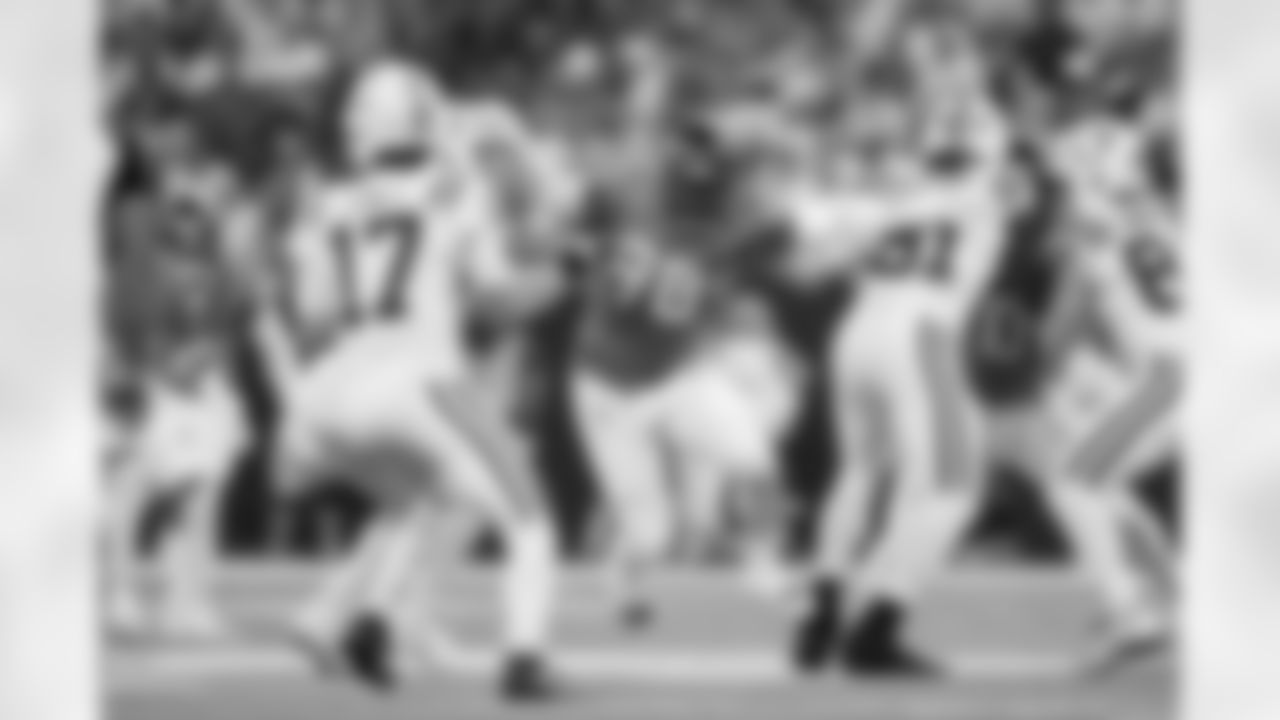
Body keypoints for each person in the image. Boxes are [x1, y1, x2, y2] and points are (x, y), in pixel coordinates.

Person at [263, 58, 566, 700]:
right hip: (414, 381)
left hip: (325, 397)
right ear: (423, 119)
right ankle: (525, 657)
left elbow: (313, 316)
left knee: (419, 498)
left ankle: (369, 623)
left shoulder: (329, 203)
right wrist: (563, 276)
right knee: (528, 518)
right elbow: (496, 303)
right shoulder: (457, 192)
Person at [779, 61, 1012, 675]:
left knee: (859, 470)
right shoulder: (986, 187)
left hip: (858, 329)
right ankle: (876, 627)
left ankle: (823, 604)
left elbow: (807, 267)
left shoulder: (893, 188)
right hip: (923, 333)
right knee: (952, 488)